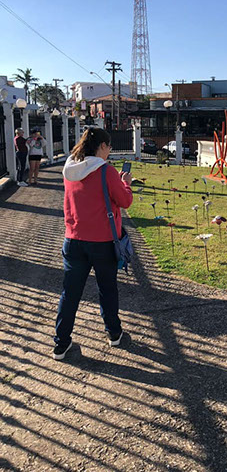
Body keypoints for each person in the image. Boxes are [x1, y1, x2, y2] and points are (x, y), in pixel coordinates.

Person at [54, 127, 133, 360]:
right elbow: (125, 201)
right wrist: (126, 183)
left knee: (70, 293)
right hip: (103, 241)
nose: (109, 151)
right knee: (107, 288)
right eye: (109, 147)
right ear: (102, 146)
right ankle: (113, 333)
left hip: (73, 239)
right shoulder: (106, 171)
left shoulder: (69, 169)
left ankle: (61, 342)